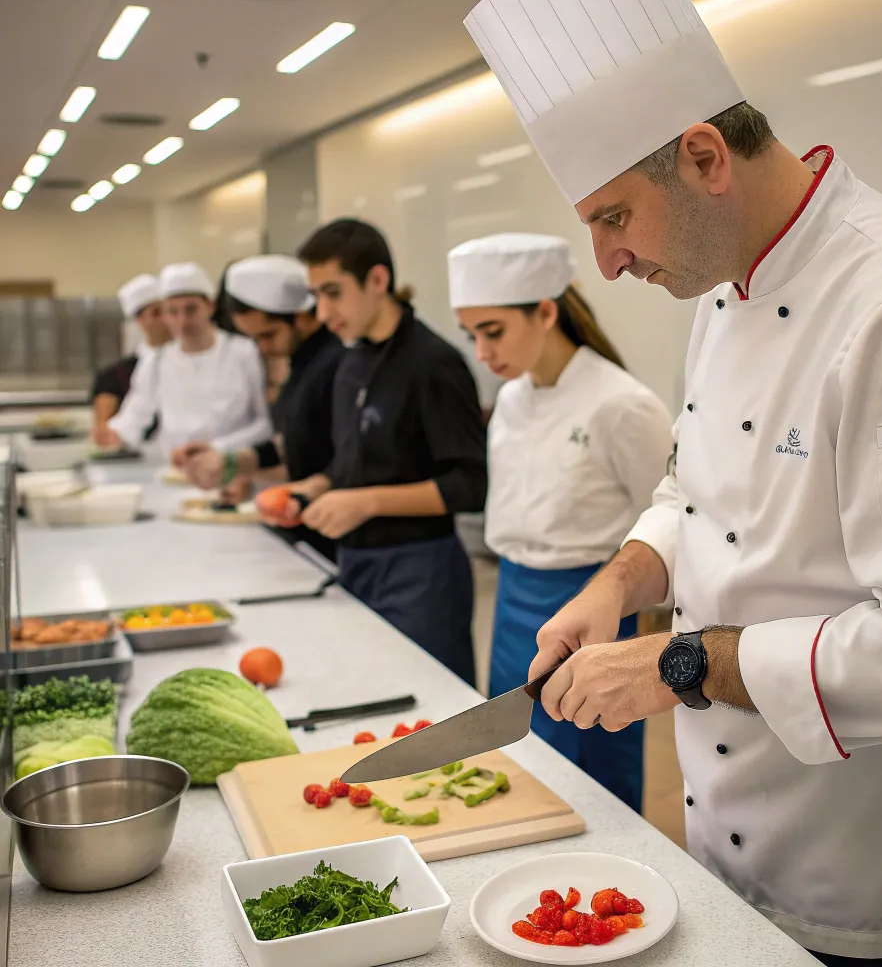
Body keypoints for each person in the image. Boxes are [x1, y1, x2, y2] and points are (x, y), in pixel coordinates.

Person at [465, 0, 882, 965]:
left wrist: (678, 663)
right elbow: (695, 488)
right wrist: (619, 583)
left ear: (703, 157)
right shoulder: (721, 288)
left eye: (614, 217)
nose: (609, 261)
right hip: (731, 853)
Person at [448, 233, 673, 812]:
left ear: (546, 312)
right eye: (470, 334)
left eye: (492, 332)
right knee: (522, 770)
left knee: (591, 781)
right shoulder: (512, 401)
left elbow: (668, 519)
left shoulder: (622, 404)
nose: (481, 352)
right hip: (512, 599)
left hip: (588, 607)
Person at [264, 219, 486, 686]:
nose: (322, 313)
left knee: (430, 709)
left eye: (333, 293)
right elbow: (353, 459)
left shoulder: (433, 362)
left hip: (421, 571)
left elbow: (470, 483)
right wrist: (315, 487)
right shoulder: (351, 359)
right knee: (372, 692)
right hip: (357, 563)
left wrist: (366, 502)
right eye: (316, 296)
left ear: (378, 280)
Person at [179, 255, 344, 558]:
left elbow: (341, 455)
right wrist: (235, 463)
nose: (262, 348)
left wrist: (312, 486)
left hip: (335, 533)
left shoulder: (336, 363)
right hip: (301, 526)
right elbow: (297, 440)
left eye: (268, 335)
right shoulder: (303, 363)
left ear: (302, 316)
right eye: (254, 339)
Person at [107, 262, 273, 459]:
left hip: (235, 467)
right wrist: (113, 434)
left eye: (191, 310)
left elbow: (265, 422)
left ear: (209, 307)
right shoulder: (156, 360)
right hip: (176, 469)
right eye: (173, 312)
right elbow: (136, 415)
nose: (182, 321)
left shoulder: (244, 352)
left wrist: (219, 450)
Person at [91, 273, 170, 448]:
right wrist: (112, 433)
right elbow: (136, 414)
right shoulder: (123, 372)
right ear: (139, 320)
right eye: (157, 313)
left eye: (169, 311)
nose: (167, 319)